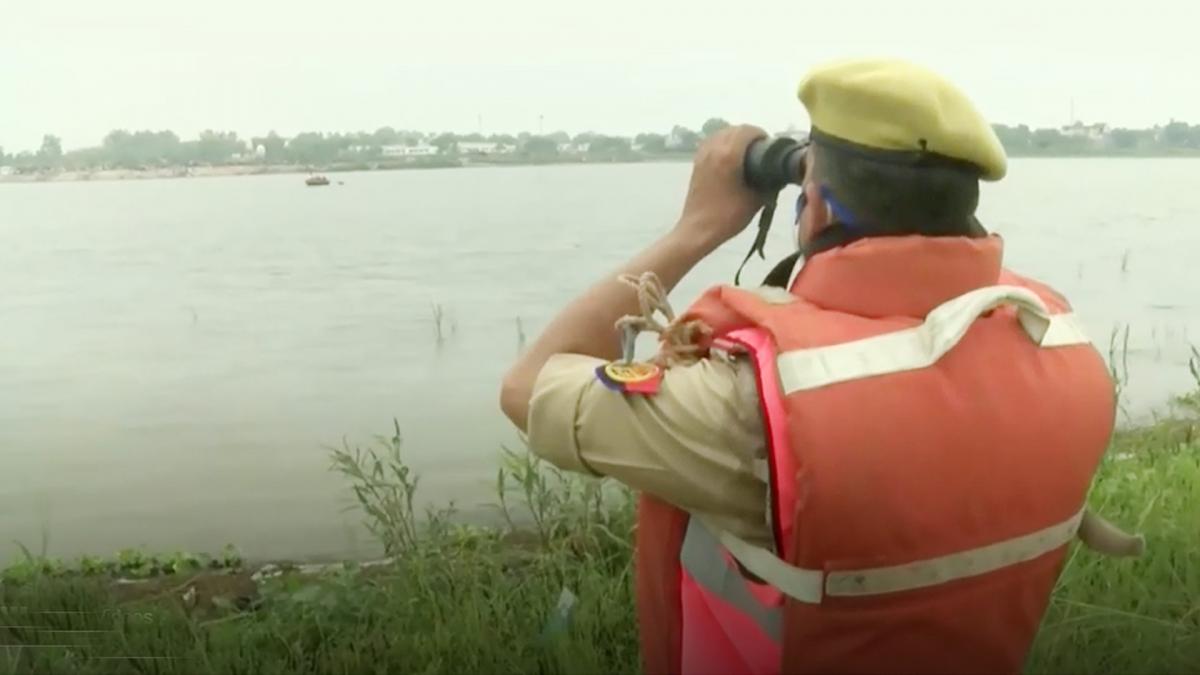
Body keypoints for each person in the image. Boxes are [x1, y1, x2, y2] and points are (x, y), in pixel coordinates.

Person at [500, 58, 1141, 675]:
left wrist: (696, 228)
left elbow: (529, 387)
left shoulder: (753, 404)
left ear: (821, 208)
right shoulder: (1058, 346)